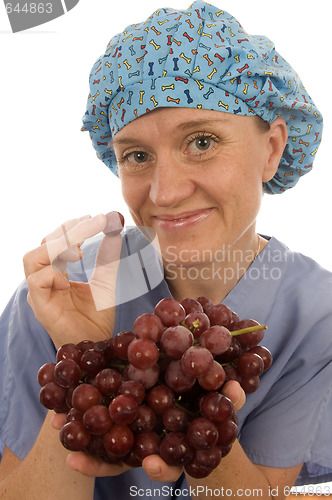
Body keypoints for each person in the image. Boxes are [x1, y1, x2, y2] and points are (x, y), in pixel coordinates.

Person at [0, 1, 331, 499]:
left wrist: (204, 406)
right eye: (136, 155)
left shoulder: (317, 319)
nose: (164, 193)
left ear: (272, 149)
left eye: (201, 142)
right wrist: (78, 355)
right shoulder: (61, 295)